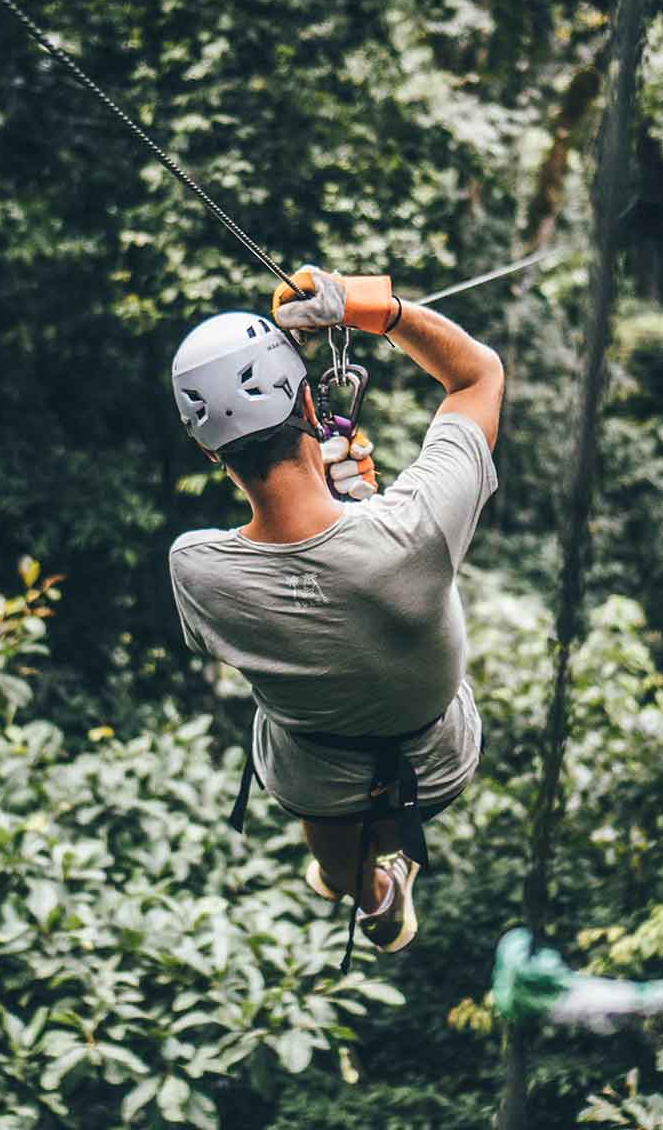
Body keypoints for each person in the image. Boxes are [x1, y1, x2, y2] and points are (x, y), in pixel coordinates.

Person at [166, 266, 502, 961]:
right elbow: (478, 377)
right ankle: (382, 870)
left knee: (329, 841)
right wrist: (366, 303)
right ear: (315, 414)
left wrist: (345, 511)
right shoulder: (415, 529)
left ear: (208, 451)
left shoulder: (195, 569)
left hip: (312, 774)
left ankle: (367, 891)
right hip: (438, 758)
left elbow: (293, 568)